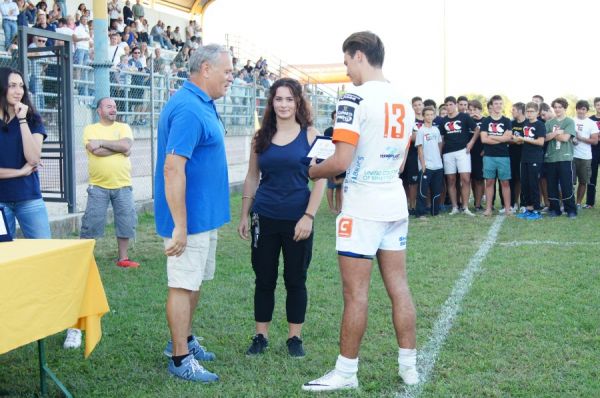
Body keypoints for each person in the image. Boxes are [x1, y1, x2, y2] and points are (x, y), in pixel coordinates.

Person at [303, 31, 419, 392]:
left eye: (346, 61)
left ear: (358, 56)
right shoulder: (404, 100)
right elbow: (400, 163)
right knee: (399, 287)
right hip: (393, 200)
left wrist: (310, 170)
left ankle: (346, 372)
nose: (346, 70)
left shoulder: (353, 98)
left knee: (356, 294)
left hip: (363, 206)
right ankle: (409, 367)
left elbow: (339, 160)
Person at [154, 44, 233, 383]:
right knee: (182, 284)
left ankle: (184, 339)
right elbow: (173, 169)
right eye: (227, 71)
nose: (231, 77)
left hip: (204, 217)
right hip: (190, 219)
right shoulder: (188, 107)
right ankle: (179, 358)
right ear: (205, 70)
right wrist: (180, 226)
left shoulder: (203, 103)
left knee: (193, 281)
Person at [237, 78, 326, 358]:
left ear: (298, 102)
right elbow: (252, 176)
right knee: (264, 279)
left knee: (295, 279)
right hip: (264, 217)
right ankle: (260, 336)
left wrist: (309, 216)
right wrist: (244, 214)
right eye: (278, 99)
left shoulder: (313, 135)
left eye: (289, 99)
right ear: (271, 102)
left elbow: (321, 180)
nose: (284, 104)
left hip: (297, 220)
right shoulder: (260, 136)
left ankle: (294, 338)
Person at [64, 97, 139, 349]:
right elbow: (94, 150)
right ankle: (85, 260)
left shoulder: (124, 127)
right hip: (98, 187)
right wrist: (115, 147)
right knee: (91, 225)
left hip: (122, 184)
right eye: (108, 106)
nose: (113, 109)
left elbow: (126, 147)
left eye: (115, 106)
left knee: (126, 222)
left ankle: (123, 257)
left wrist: (109, 145)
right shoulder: (89, 129)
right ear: (99, 110)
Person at [0, 67, 50, 239]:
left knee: (44, 252)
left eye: (21, 86)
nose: (18, 91)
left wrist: (22, 120)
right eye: (12, 85)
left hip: (29, 197)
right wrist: (21, 172)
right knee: (3, 255)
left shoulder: (32, 119)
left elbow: (33, 158)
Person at [439, 96, 479, 215]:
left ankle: (465, 207)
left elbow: (477, 129)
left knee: (465, 179)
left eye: (451, 104)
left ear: (455, 105)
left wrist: (471, 143)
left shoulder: (464, 117)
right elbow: (441, 139)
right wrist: (440, 153)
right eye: (447, 105)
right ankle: (455, 207)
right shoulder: (443, 120)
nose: (449, 107)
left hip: (463, 151)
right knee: (451, 180)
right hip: (448, 153)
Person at [480, 95, 513, 216]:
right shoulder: (486, 121)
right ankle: (488, 209)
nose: (498, 106)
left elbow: (508, 138)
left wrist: (492, 136)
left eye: (500, 103)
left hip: (503, 156)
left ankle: (508, 209)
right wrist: (501, 138)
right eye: (496, 104)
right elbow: (483, 139)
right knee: (489, 182)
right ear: (491, 106)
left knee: (505, 183)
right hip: (489, 156)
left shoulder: (506, 121)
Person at [544, 98, 577, 218]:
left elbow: (565, 138)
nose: (557, 109)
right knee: (551, 185)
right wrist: (557, 133)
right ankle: (554, 209)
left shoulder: (569, 121)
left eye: (560, 107)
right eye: (555, 107)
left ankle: (570, 210)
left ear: (565, 108)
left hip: (565, 157)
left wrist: (553, 134)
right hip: (551, 157)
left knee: (566, 185)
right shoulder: (548, 123)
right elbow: (544, 138)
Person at [515, 102, 546, 220]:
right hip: (525, 157)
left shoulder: (540, 125)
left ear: (537, 113)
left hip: (535, 158)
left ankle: (537, 210)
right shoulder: (525, 124)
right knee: (525, 184)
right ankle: (529, 209)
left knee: (533, 184)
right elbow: (523, 141)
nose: (529, 113)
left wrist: (524, 138)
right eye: (527, 111)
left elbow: (540, 142)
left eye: (532, 111)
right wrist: (517, 139)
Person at [415, 106, 444, 218]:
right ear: (423, 116)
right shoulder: (421, 131)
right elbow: (420, 149)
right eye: (427, 115)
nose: (429, 117)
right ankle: (420, 213)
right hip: (426, 166)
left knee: (436, 190)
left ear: (434, 116)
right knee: (422, 192)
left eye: (432, 114)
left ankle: (435, 212)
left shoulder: (436, 130)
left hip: (437, 166)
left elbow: (438, 145)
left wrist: (439, 160)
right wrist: (423, 165)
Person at [572, 100, 599, 207]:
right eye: (579, 108)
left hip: (585, 156)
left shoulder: (591, 123)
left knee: (583, 182)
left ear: (587, 110)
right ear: (576, 109)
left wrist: (581, 138)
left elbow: (595, 141)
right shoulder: (571, 121)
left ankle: (578, 203)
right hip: (571, 155)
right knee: (570, 182)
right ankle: (569, 202)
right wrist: (572, 139)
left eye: (583, 109)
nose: (581, 111)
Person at [323, 110, 344, 213]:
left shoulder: (344, 131)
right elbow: (326, 146)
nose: (337, 119)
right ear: (333, 119)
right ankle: (332, 208)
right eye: (335, 117)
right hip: (331, 160)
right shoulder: (328, 131)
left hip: (342, 160)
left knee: (340, 186)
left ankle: (339, 208)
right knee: (331, 185)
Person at [468, 99, 485, 210]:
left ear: (480, 110)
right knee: (470, 179)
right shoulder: (466, 120)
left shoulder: (485, 120)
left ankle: (478, 204)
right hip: (467, 153)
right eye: (470, 110)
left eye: (475, 109)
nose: (473, 112)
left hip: (480, 153)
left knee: (479, 179)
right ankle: (471, 201)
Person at [509, 102, 526, 211]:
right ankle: (513, 203)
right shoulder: (511, 123)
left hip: (524, 156)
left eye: (514, 110)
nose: (512, 112)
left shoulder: (528, 123)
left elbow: (529, 140)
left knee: (523, 180)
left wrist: (520, 140)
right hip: (512, 155)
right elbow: (508, 138)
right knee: (513, 180)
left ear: (520, 111)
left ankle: (524, 204)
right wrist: (515, 140)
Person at [586, 97, 600, 208]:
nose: (599, 106)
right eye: (598, 105)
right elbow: (588, 135)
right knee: (592, 176)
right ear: (595, 106)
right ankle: (590, 203)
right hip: (593, 151)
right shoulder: (590, 120)